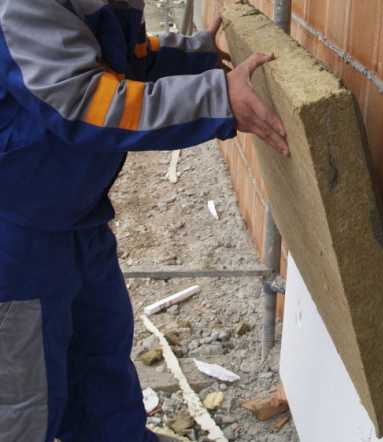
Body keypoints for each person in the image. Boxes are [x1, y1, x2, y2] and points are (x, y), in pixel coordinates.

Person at [0, 0, 288, 441]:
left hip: (73, 219)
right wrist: (216, 97)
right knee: (23, 399)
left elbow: (124, 57)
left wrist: (193, 56)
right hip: (14, 238)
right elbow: (84, 102)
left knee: (100, 359)